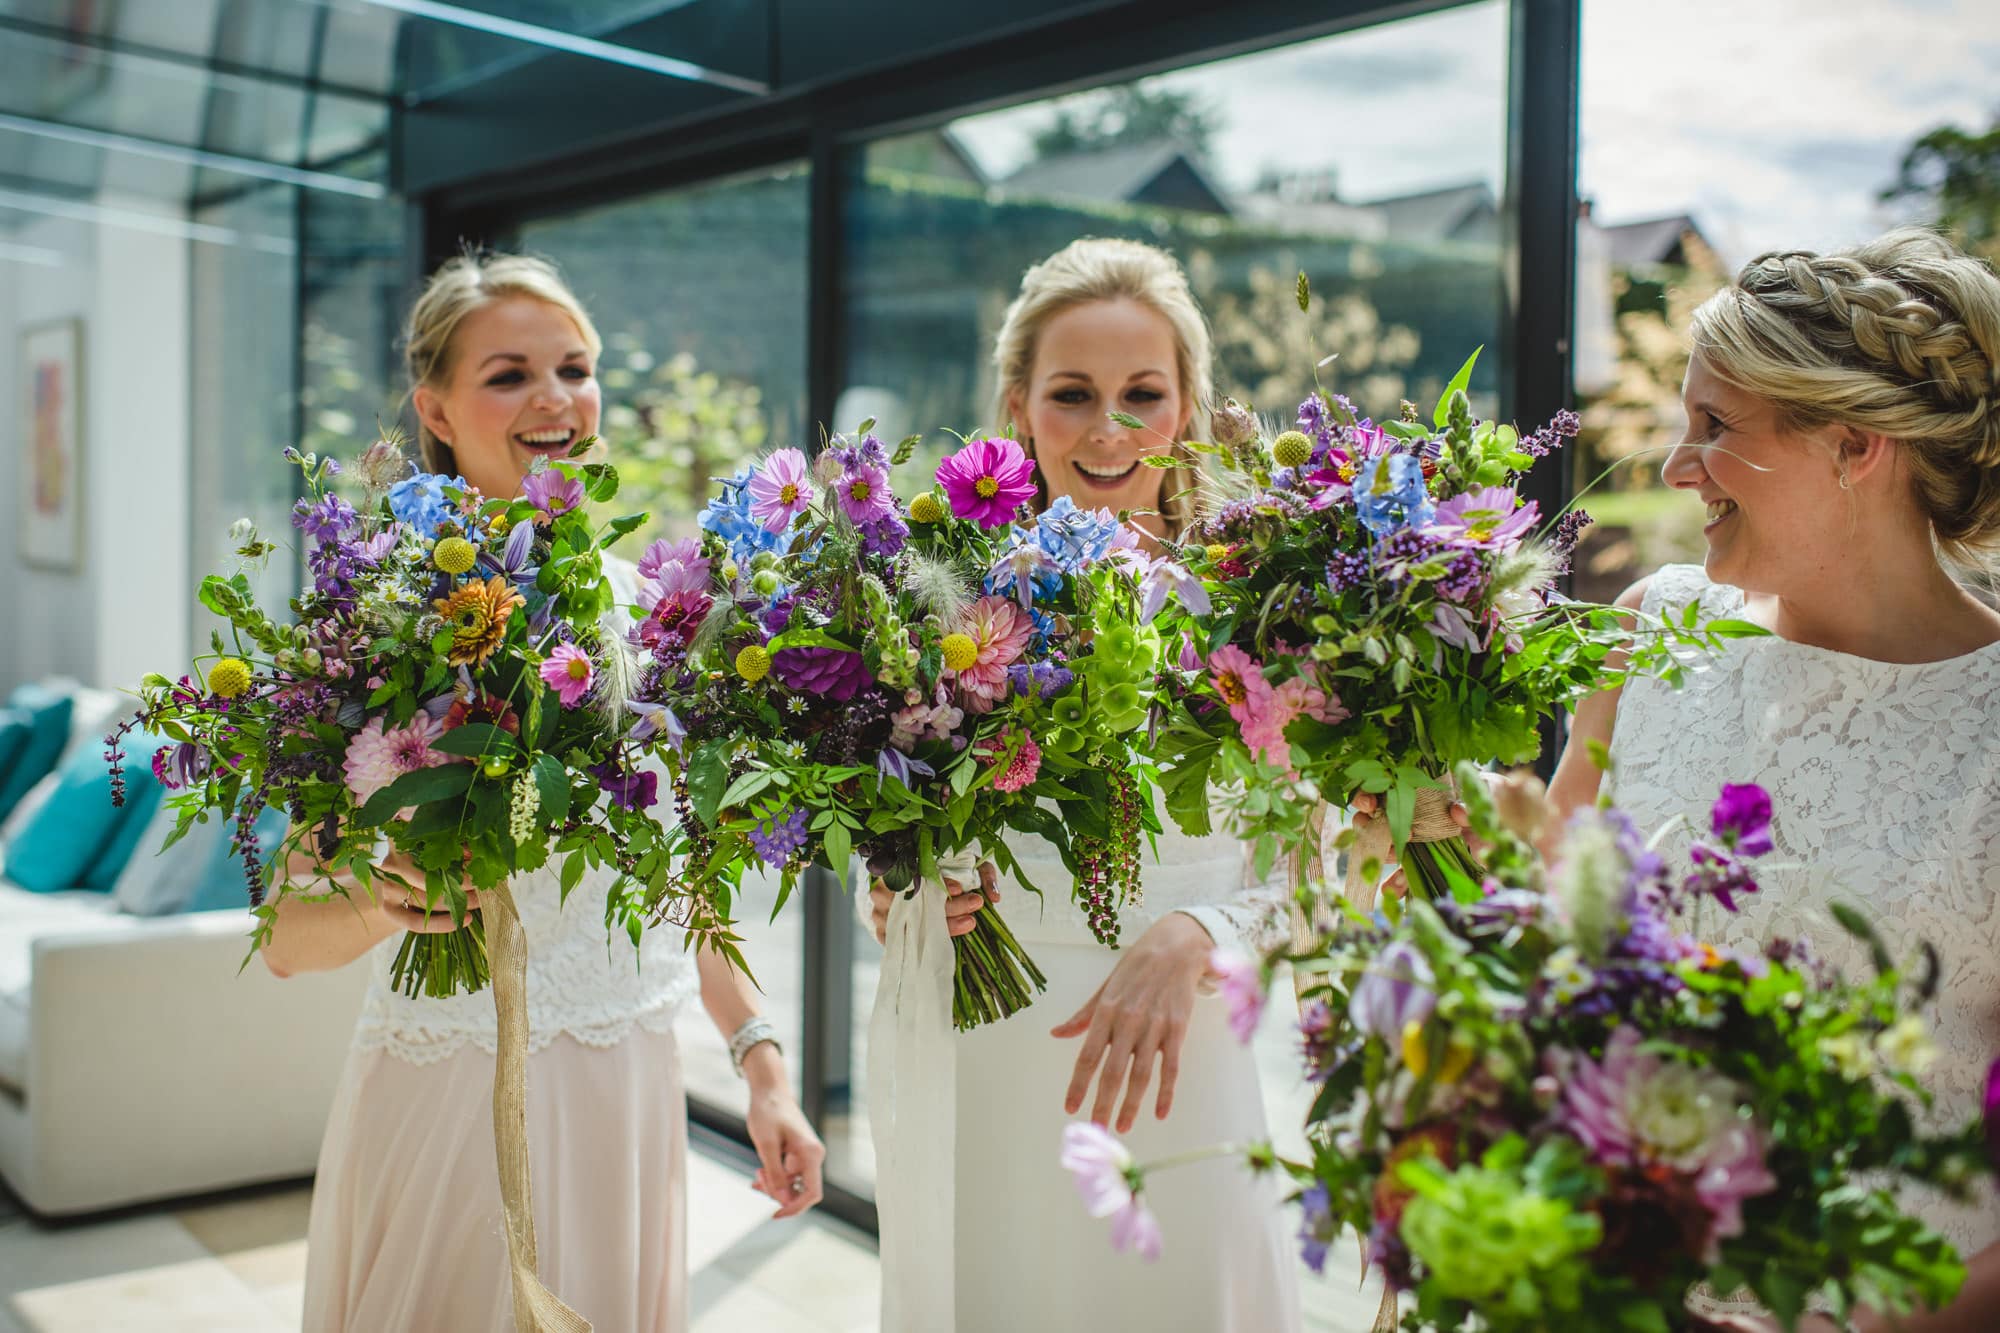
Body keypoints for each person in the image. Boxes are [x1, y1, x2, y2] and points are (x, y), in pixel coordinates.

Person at [263, 253, 825, 1332]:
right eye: (510, 374)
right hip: (454, 1099)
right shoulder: (372, 621)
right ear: (433, 407)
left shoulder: (650, 615)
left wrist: (762, 1064)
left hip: (627, 1096)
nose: (555, 399)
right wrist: (383, 902)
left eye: (574, 367)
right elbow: (287, 938)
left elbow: (686, 886)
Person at [1546, 229, 2000, 1331]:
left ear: (1852, 447)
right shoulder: (1648, 629)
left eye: (1713, 428)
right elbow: (1542, 922)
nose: (1671, 467)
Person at [865, 238, 1303, 1333]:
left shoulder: (1268, 601)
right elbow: (887, 822)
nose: (1108, 428)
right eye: (1072, 394)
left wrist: (1203, 926)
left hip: (1183, 1062)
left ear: (1188, 405)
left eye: (1140, 394)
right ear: (1017, 407)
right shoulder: (936, 608)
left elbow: (1320, 867)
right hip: (992, 1046)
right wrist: (901, 891)